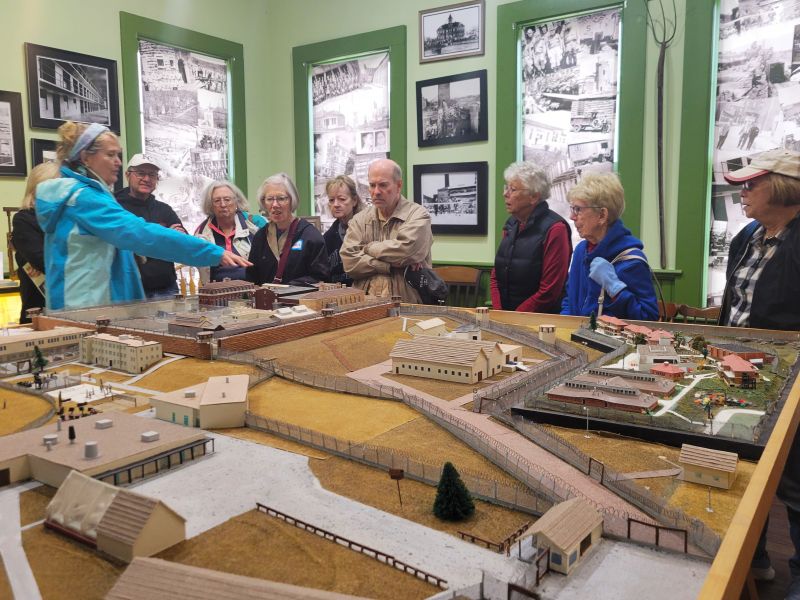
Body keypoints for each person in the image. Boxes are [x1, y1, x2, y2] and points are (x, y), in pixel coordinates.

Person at [35, 121, 250, 311]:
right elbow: (141, 233)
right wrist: (211, 252)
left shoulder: (85, 196)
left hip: (87, 304)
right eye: (110, 154)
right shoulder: (83, 198)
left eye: (118, 155)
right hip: (86, 308)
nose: (118, 162)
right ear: (86, 158)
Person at [720, 148, 800, 598]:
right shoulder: (747, 236)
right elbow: (735, 307)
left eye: (753, 184)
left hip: (790, 377)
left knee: (795, 479)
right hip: (739, 371)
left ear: (785, 188)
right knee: (744, 464)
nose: (743, 193)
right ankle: (754, 557)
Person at [560, 172, 659, 320]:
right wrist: (565, 326)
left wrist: (615, 288)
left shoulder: (631, 260)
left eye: (578, 209)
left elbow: (648, 318)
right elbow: (569, 299)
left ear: (602, 215)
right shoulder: (582, 250)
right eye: (572, 208)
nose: (572, 216)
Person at [340, 159, 432, 302]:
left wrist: (369, 247)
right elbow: (349, 262)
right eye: (372, 185)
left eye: (383, 185)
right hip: (363, 303)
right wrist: (388, 265)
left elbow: (406, 251)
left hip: (407, 303)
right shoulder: (359, 220)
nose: (376, 192)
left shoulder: (418, 215)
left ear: (398, 185)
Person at [490, 161, 572, 313]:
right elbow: (497, 275)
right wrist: (499, 313)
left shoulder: (555, 229)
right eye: (506, 187)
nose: (505, 193)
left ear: (534, 197)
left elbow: (549, 291)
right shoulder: (511, 224)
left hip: (539, 323)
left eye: (512, 189)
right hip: (505, 318)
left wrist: (513, 318)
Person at [115, 154, 185, 298]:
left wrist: (174, 238)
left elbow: (182, 242)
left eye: (152, 175)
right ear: (128, 175)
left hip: (166, 289)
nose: (146, 179)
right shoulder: (115, 207)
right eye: (141, 173)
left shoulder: (164, 209)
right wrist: (167, 236)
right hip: (128, 290)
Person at [246, 173, 329, 285]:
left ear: (292, 200)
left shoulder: (310, 236)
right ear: (263, 203)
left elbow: (321, 278)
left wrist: (289, 287)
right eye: (270, 199)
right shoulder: (260, 237)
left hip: (300, 300)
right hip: (266, 300)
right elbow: (252, 277)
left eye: (281, 198)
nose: (275, 204)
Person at [12, 162, 60, 323]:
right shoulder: (24, 219)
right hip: (38, 311)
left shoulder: (61, 219)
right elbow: (42, 260)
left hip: (65, 306)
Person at [194, 180, 260, 282]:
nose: (223, 204)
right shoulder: (201, 233)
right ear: (210, 205)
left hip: (252, 289)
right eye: (217, 201)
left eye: (227, 199)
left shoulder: (253, 226)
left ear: (236, 202)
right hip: (215, 291)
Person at [323, 175, 364, 285]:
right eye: (331, 200)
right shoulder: (328, 237)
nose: (336, 204)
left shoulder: (367, 228)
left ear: (354, 200)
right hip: (338, 295)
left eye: (342, 199)